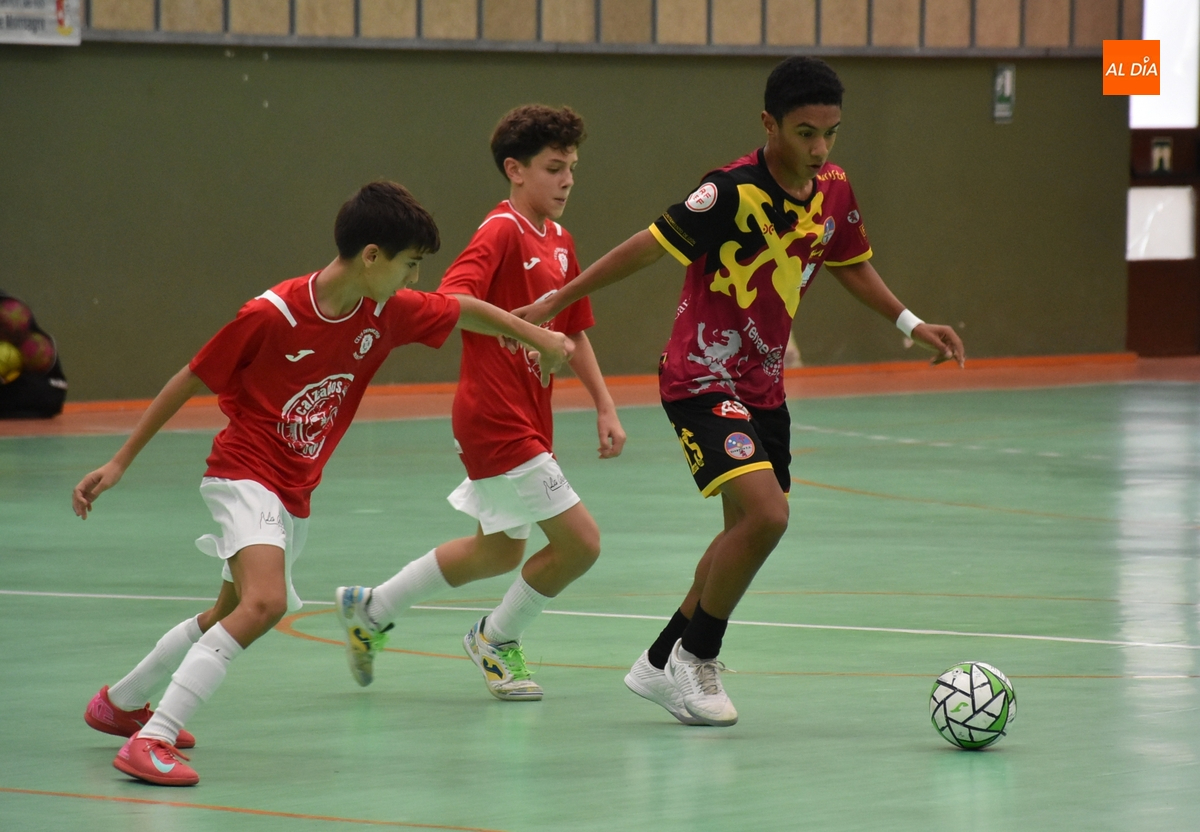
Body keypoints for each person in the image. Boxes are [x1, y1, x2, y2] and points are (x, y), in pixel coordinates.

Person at [72, 181, 572, 786]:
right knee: (264, 604)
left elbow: (462, 308)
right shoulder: (272, 314)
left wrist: (541, 336)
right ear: (371, 256)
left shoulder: (385, 312)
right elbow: (191, 378)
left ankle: (121, 703)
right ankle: (152, 739)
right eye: (410, 264)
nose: (415, 279)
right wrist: (120, 463)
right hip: (244, 473)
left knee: (228, 610)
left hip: (293, 491)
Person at [517, 57, 965, 727]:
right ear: (769, 124)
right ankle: (697, 657)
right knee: (768, 517)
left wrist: (910, 323)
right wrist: (560, 298)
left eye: (830, 134)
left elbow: (849, 262)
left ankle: (658, 661)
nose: (819, 149)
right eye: (805, 132)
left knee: (741, 536)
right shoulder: (729, 192)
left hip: (764, 386)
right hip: (700, 376)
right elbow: (648, 245)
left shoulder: (833, 188)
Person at [334, 104, 625, 702]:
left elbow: (573, 328)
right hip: (495, 415)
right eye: (553, 168)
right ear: (515, 170)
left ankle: (372, 608)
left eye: (572, 168)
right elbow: (451, 300)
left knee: (497, 551)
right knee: (581, 543)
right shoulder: (500, 230)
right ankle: (495, 638)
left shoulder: (561, 242)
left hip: (530, 415)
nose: (567, 180)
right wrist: (528, 334)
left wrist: (604, 403)